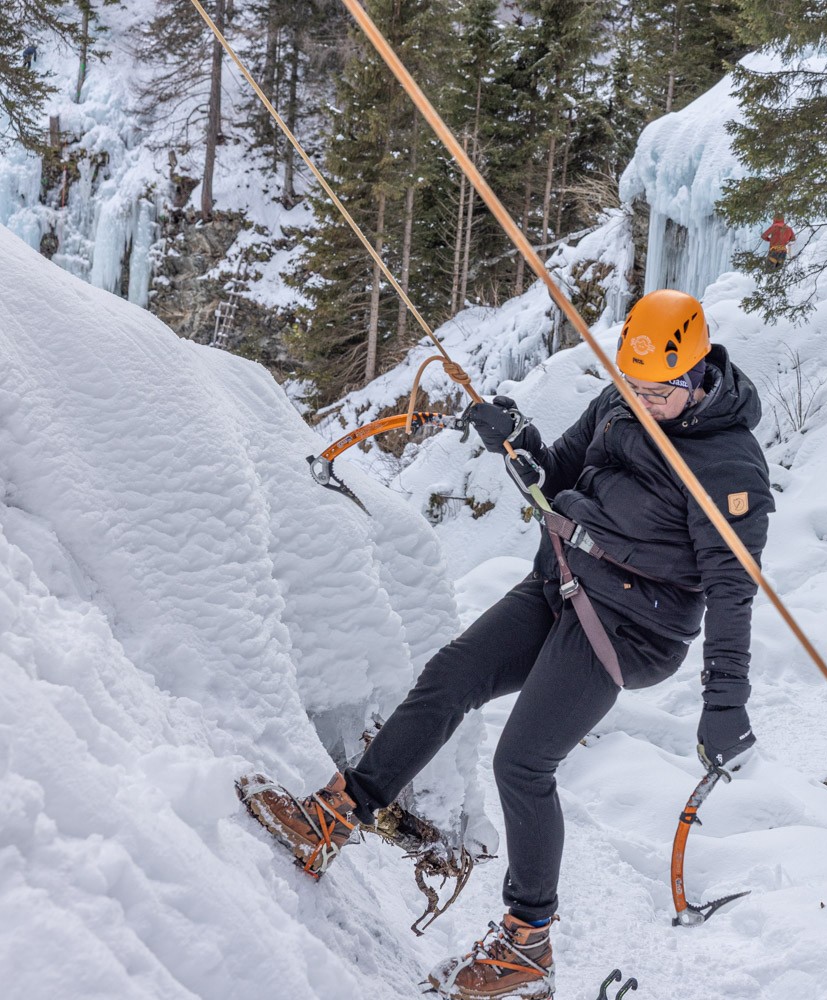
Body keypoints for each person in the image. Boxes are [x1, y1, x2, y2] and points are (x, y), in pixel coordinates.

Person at [238, 289, 773, 1000]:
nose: (644, 402)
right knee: (449, 678)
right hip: (561, 581)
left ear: (697, 370)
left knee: (522, 762)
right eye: (634, 386)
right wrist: (516, 440)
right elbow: (558, 474)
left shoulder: (730, 465)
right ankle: (335, 817)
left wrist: (724, 702)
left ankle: (527, 949)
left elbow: (732, 592)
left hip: (630, 628)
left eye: (661, 392)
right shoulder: (619, 403)